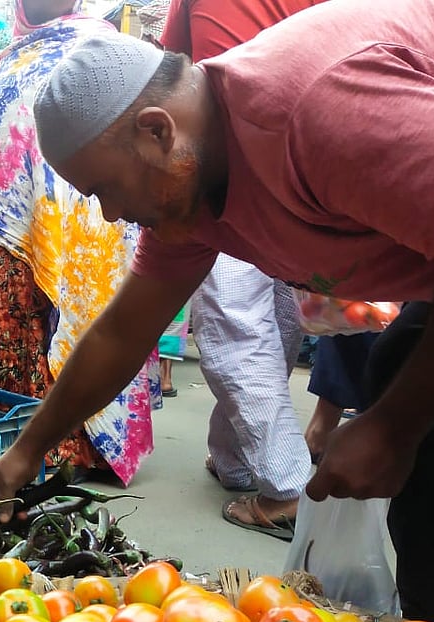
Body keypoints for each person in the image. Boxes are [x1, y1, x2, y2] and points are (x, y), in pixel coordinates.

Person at [0, 0, 434, 622]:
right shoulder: (193, 181)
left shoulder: (312, 107)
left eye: (104, 189)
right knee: (402, 373)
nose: (108, 215)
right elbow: (121, 332)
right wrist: (25, 451)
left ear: (157, 132)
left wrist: (394, 425)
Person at [0, 0, 160, 483]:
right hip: (14, 221)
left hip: (94, 216)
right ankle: (20, 444)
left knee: (98, 322)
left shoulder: (107, 46)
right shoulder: (10, 50)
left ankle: (78, 448)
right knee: (16, 327)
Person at [158, 0, 325, 539]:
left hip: (231, 157)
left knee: (236, 322)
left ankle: (287, 490)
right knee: (278, 314)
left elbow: (174, 67)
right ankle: (233, 458)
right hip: (309, 154)